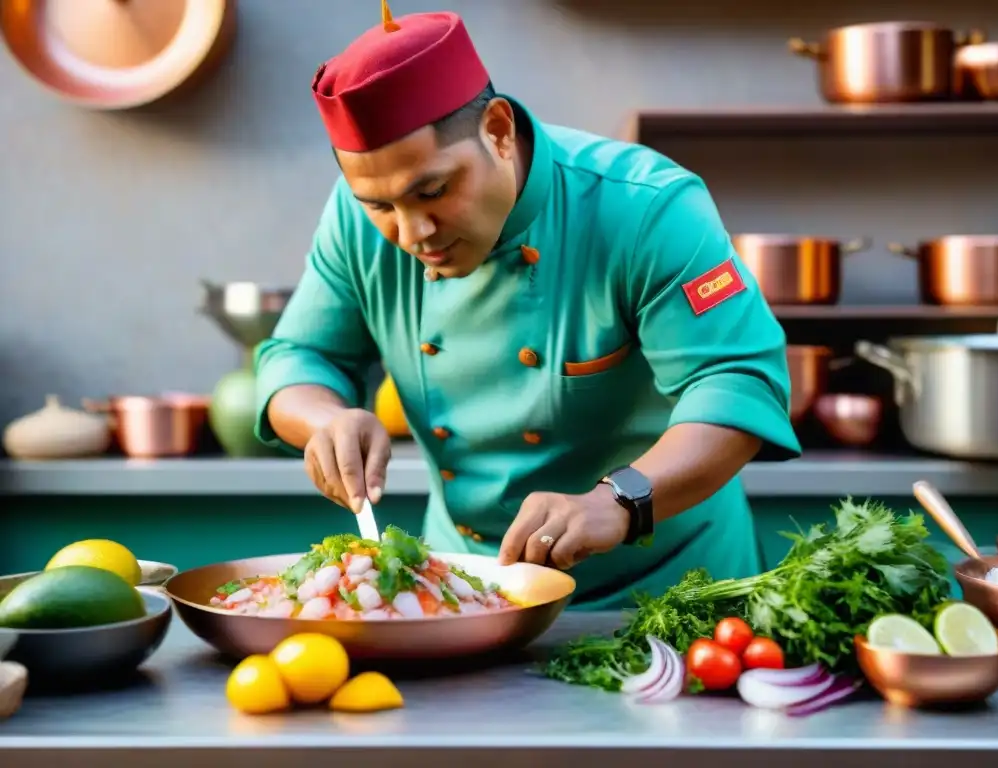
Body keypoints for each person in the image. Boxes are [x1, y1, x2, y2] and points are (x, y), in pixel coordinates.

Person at [253, 1, 802, 610]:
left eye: (432, 190)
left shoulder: (646, 207)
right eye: (379, 205)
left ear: (497, 130)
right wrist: (323, 420)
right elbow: (297, 355)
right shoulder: (355, 221)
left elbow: (736, 383)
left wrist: (617, 502)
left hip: (671, 593)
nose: (413, 233)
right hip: (466, 594)